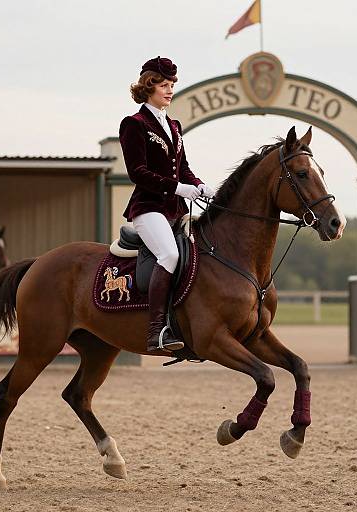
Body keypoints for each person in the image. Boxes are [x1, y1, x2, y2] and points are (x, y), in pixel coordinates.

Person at [119, 56, 215, 353]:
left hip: (175, 210)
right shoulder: (134, 124)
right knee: (170, 255)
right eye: (164, 85)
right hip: (148, 209)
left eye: (172, 85)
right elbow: (138, 172)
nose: (170, 90)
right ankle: (156, 330)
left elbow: (182, 166)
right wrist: (178, 187)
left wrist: (198, 185)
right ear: (149, 86)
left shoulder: (174, 125)